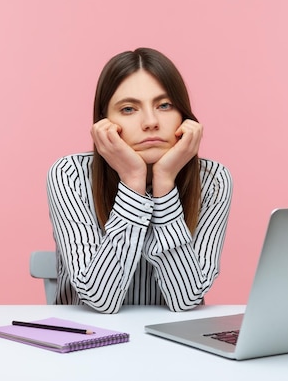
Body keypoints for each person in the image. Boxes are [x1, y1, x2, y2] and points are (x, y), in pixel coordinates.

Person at [46, 47, 233, 314]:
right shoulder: (70, 174)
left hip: (172, 346)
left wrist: (164, 183)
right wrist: (133, 180)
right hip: (89, 343)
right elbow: (100, 299)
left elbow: (186, 299)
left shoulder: (212, 180)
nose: (150, 122)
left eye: (164, 105)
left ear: (184, 115)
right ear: (104, 123)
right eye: (129, 108)